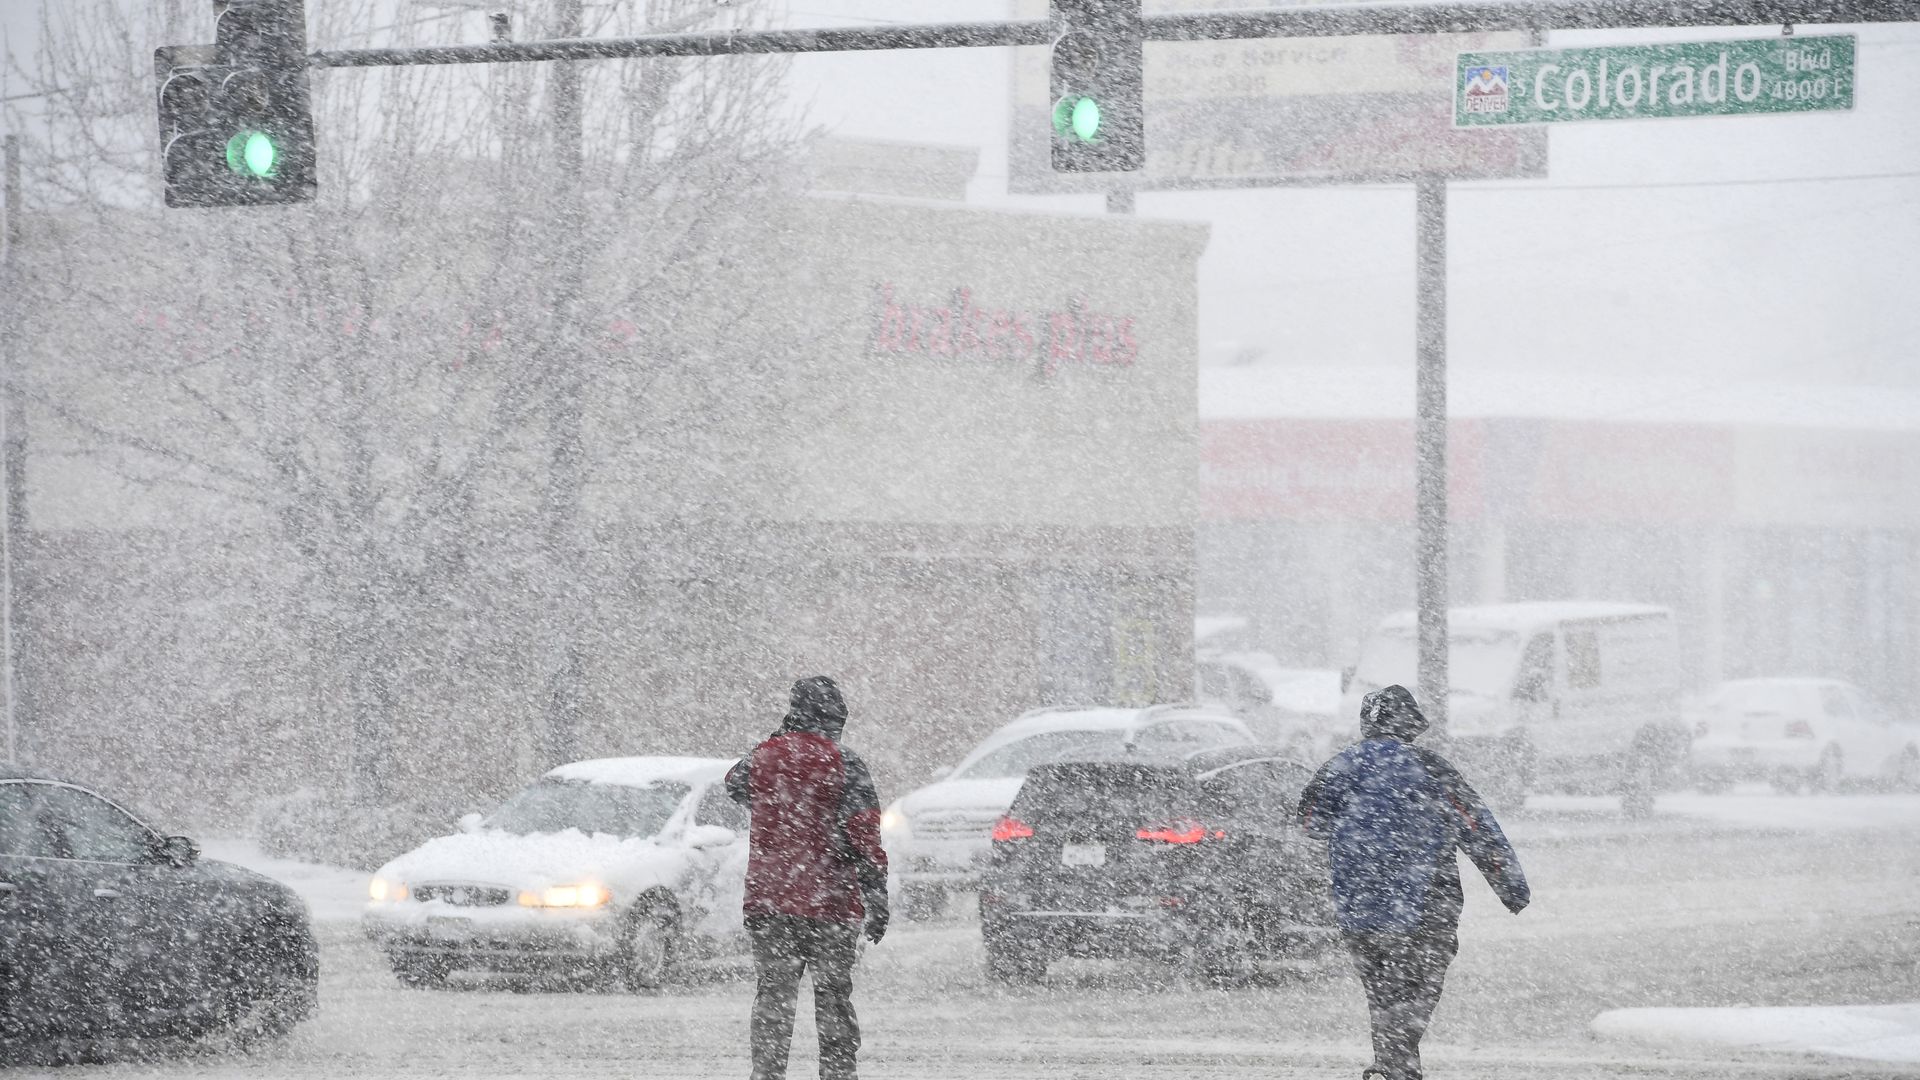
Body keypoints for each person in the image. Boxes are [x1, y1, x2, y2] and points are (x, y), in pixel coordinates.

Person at [1296, 684, 1530, 1080]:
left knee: (1383, 993)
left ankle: (1395, 1067)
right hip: (1425, 901)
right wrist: (1511, 887)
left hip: (1359, 905)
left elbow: (1309, 823)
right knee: (1419, 989)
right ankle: (1394, 1066)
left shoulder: (1339, 767)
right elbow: (1477, 827)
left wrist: (1359, 837)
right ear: (1411, 724)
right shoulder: (1430, 768)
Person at [726, 676, 889, 1080]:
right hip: (832, 902)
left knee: (773, 997)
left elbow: (734, 784)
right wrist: (876, 894)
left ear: (794, 713)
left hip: (770, 900)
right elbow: (864, 835)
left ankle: (767, 1073)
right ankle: (838, 1074)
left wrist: (780, 738)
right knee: (834, 998)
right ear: (836, 717)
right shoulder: (846, 763)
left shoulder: (764, 758)